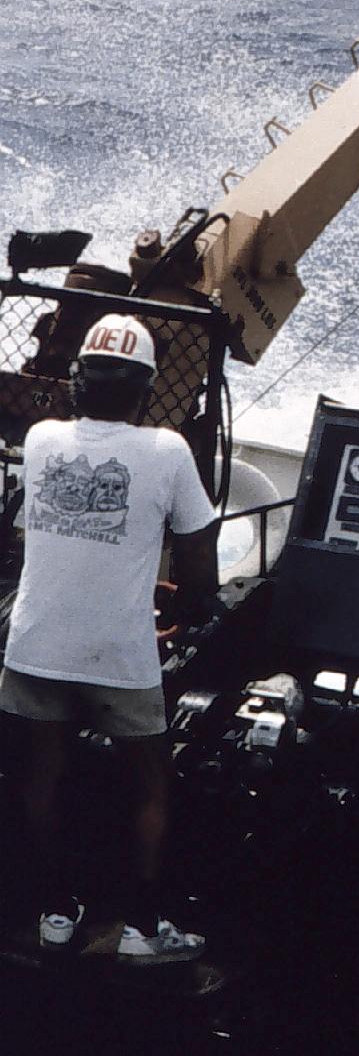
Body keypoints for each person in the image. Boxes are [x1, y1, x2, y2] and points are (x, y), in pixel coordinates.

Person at [0, 313, 219, 961]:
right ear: (146, 390)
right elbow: (199, 551)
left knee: (42, 772)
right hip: (118, 655)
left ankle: (54, 912)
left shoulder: (41, 438)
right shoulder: (168, 451)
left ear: (77, 381)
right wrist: (196, 604)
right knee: (150, 782)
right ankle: (142, 928)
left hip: (34, 646)